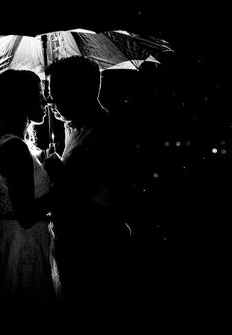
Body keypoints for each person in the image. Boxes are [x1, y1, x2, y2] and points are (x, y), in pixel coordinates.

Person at [43, 56, 134, 322]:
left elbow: (108, 198)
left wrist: (60, 175)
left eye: (55, 92)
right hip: (74, 243)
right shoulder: (75, 129)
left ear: (77, 92)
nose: (51, 101)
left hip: (96, 250)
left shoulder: (107, 131)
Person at [0, 69, 62, 327]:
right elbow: (26, 215)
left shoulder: (15, 145)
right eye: (40, 95)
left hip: (14, 239)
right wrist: (61, 186)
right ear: (21, 101)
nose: (46, 103)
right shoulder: (14, 148)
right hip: (23, 242)